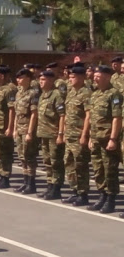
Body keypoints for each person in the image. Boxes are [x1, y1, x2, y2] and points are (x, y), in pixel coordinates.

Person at [84, 66, 122, 215]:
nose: (95, 78)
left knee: (110, 170)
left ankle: (111, 199)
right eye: (95, 76)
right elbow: (92, 118)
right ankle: (102, 195)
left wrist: (113, 138)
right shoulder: (95, 95)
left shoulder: (114, 94)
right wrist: (90, 137)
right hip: (96, 139)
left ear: (107, 77)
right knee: (98, 169)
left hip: (107, 139)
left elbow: (117, 118)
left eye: (98, 76)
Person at [61, 66, 91, 206]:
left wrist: (84, 135)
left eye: (73, 77)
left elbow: (88, 116)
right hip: (70, 135)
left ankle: (83, 193)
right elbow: (67, 114)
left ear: (80, 77)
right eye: (70, 77)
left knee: (80, 165)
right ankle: (75, 190)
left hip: (79, 135)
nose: (70, 79)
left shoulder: (86, 93)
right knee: (69, 163)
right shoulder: (71, 92)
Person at [36, 70, 66, 200]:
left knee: (56, 162)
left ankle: (56, 187)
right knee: (47, 161)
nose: (41, 82)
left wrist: (60, 134)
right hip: (44, 133)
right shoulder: (43, 95)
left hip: (54, 134)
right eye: (40, 80)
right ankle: (50, 185)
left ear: (50, 80)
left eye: (43, 80)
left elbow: (62, 116)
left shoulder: (56, 95)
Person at [12, 68, 40, 194]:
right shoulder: (19, 94)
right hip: (19, 129)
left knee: (30, 157)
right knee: (22, 157)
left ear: (28, 78)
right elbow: (17, 114)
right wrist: (14, 129)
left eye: (21, 78)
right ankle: (25, 182)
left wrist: (29, 132)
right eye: (17, 78)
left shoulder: (33, 94)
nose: (18, 80)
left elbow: (34, 114)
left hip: (28, 129)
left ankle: (31, 183)